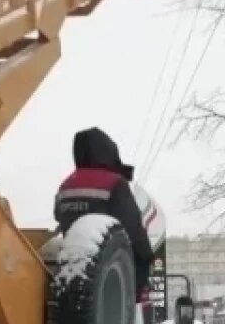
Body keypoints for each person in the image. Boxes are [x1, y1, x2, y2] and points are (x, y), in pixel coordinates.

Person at [54, 128, 155, 302]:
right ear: (109, 152)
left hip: (70, 271)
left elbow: (58, 215)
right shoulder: (115, 183)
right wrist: (145, 260)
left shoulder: (67, 183)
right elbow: (133, 228)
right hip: (109, 278)